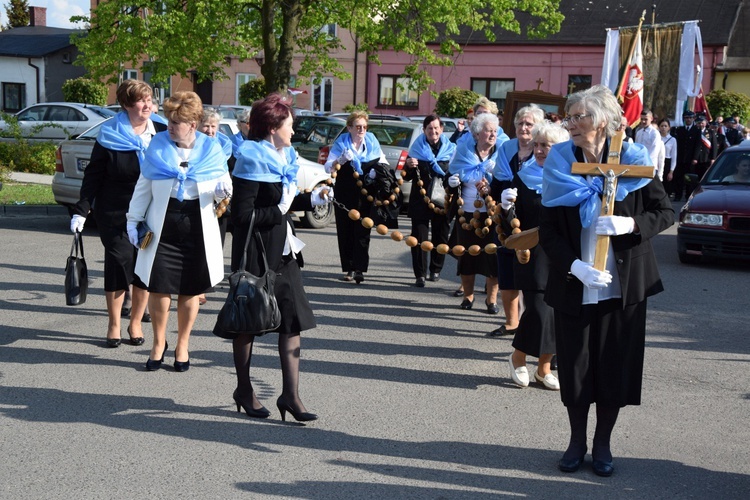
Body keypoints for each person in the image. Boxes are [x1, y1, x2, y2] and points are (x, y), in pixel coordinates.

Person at [539, 85, 674, 477]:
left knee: (613, 365)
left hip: (623, 285)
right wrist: (574, 267)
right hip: (576, 282)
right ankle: (576, 440)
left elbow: (665, 212)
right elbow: (548, 229)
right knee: (577, 366)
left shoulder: (633, 159)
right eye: (570, 118)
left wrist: (630, 223)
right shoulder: (560, 163)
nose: (572, 124)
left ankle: (603, 444)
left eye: (579, 117)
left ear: (603, 121)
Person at [230, 93, 331, 421]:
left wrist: (311, 199)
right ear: (273, 127)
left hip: (284, 250)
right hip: (255, 251)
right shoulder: (249, 159)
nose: (293, 131)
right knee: (249, 324)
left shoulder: (285, 156)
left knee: (292, 319)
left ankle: (291, 396)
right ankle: (244, 389)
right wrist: (280, 207)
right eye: (289, 125)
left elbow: (285, 202)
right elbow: (241, 217)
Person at [126, 91, 230, 372]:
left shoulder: (212, 149)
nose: (169, 126)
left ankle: (182, 343)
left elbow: (224, 185)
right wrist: (133, 221)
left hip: (198, 226)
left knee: (190, 291)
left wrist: (223, 190)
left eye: (176, 122)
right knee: (159, 287)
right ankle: (159, 342)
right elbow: (143, 187)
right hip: (163, 225)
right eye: (169, 120)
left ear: (192, 125)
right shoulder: (157, 146)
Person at [70, 79, 166, 348]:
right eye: (140, 100)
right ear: (126, 105)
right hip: (115, 212)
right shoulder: (109, 133)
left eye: (149, 99)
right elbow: (94, 175)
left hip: (150, 213)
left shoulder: (160, 132)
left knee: (143, 266)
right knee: (119, 261)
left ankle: (135, 321)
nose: (147, 104)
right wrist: (82, 209)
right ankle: (113, 323)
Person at [501, 121, 569, 389]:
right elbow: (511, 224)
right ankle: (518, 357)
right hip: (532, 252)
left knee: (556, 312)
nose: (539, 150)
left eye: (546, 146)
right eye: (537, 145)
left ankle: (543, 368)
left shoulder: (569, 176)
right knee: (539, 311)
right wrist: (507, 208)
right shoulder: (522, 177)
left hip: (562, 253)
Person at [488, 104, 544, 334]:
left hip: (531, 219)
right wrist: (493, 198)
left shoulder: (544, 151)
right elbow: (497, 182)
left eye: (529, 124)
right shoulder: (506, 149)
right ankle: (511, 322)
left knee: (532, 273)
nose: (523, 127)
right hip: (505, 217)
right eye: (520, 123)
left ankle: (534, 325)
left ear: (537, 127)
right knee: (507, 270)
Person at [324, 111, 396, 284]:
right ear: (349, 128)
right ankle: (348, 267)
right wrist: (340, 161)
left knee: (363, 230)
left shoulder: (371, 141)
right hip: (345, 192)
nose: (361, 130)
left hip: (366, 193)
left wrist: (377, 170)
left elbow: (384, 162)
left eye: (364, 126)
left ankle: (360, 269)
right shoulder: (341, 143)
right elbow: (328, 168)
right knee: (346, 230)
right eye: (358, 127)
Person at [446, 112, 503, 313]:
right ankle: (468, 296)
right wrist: (452, 182)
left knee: (493, 257)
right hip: (467, 212)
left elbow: (508, 181)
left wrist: (494, 176)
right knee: (467, 256)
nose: (493, 134)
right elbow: (452, 174)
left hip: (492, 213)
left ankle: (491, 300)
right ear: (477, 133)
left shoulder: (501, 154)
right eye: (489, 130)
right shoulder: (464, 151)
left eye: (495, 131)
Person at [404, 115, 456, 287]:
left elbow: (455, 173)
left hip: (442, 199)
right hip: (420, 199)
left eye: (436, 128)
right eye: (429, 129)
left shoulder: (451, 149)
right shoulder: (416, 149)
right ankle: (419, 273)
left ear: (441, 129)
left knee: (441, 234)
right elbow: (407, 177)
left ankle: (435, 269)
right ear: (424, 130)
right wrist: (409, 166)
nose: (433, 131)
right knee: (419, 237)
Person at [672, 110, 701, 201]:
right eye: (686, 118)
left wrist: (695, 158)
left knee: (689, 178)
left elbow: (698, 145)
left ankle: (688, 195)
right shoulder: (679, 130)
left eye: (690, 118)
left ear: (693, 119)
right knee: (679, 178)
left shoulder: (696, 130)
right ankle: (678, 195)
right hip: (680, 158)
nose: (688, 119)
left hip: (690, 158)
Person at [659, 118, 677, 187]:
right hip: (657, 162)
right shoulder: (656, 138)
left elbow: (674, 157)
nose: (663, 128)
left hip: (667, 162)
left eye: (665, 126)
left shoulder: (672, 140)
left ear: (669, 128)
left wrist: (671, 172)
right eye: (662, 126)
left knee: (666, 185)